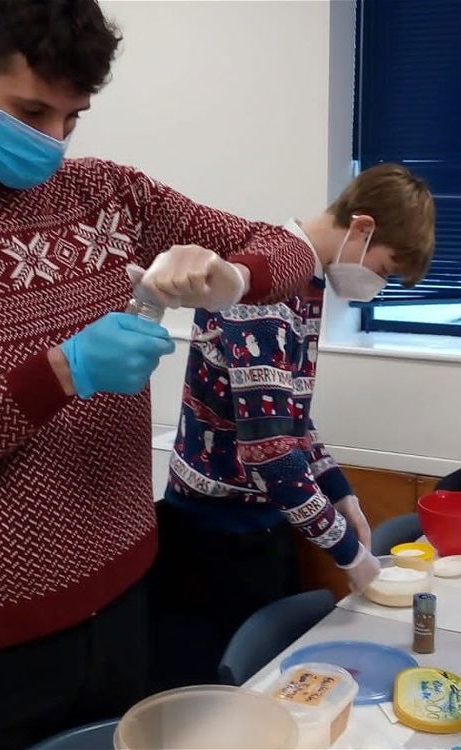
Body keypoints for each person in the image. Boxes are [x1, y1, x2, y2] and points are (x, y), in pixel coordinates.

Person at [0, 1, 317, 748]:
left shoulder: (108, 194)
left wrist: (229, 278)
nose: (53, 141)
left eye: (72, 118)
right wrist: (62, 372)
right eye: (31, 111)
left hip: (126, 588)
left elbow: (290, 248)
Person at [152, 163, 436, 687]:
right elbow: (271, 456)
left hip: (257, 527)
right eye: (386, 266)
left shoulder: (304, 280)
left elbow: (290, 419)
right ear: (362, 228)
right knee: (228, 698)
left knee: (271, 690)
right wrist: (350, 556)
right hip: (215, 538)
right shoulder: (262, 288)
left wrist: (339, 489)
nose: (378, 283)